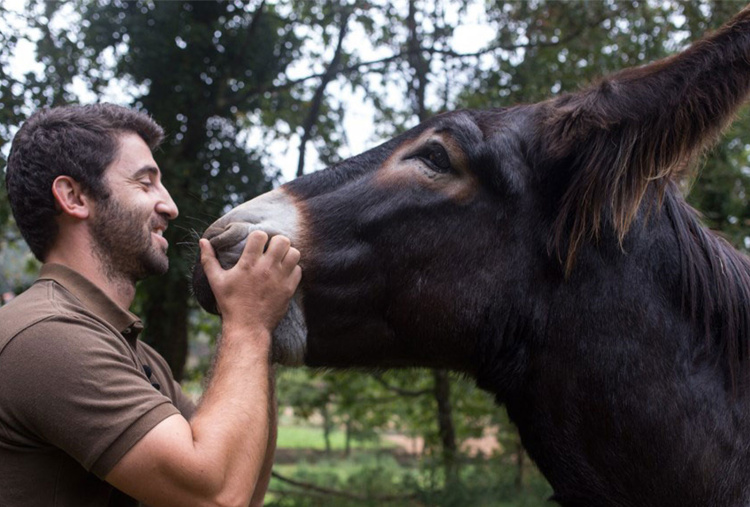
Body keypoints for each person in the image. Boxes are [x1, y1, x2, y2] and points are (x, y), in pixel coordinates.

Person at [0, 103, 302, 506]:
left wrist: (262, 335)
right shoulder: (46, 337)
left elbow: (240, 484)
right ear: (73, 197)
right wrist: (249, 325)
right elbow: (214, 495)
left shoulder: (136, 354)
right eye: (146, 183)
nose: (170, 206)